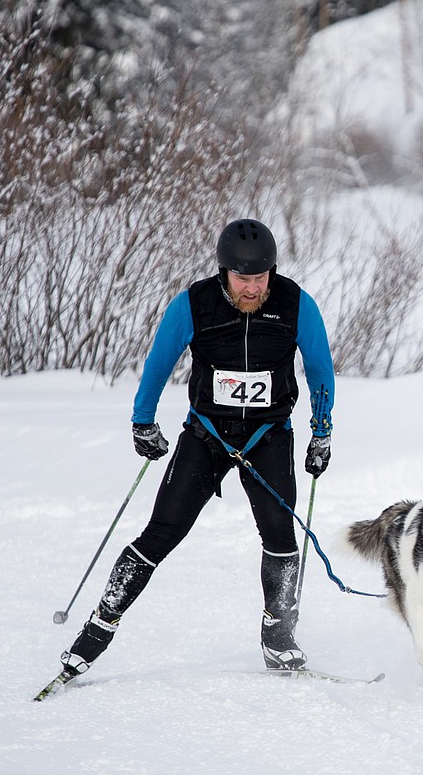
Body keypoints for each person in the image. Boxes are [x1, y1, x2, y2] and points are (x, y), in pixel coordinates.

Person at [57, 218, 335, 681]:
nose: (253, 288)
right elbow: (158, 362)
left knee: (281, 538)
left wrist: (321, 432)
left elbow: (321, 368)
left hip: (268, 435)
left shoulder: (296, 304)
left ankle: (279, 636)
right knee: (161, 532)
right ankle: (97, 628)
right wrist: (142, 420)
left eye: (261, 278)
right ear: (224, 272)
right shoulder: (193, 304)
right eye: (243, 279)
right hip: (206, 436)